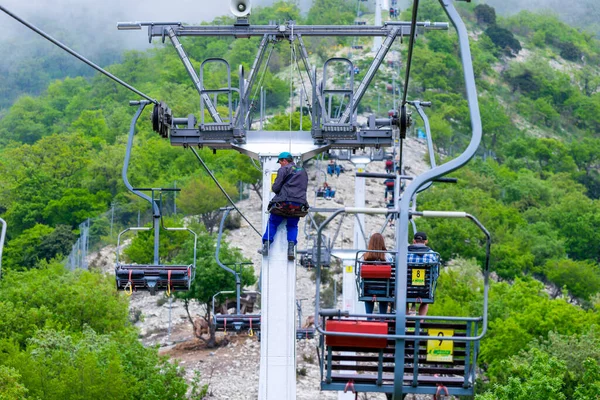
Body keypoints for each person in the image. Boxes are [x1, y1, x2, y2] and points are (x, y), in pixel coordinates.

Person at [262, 152, 309, 261]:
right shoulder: (303, 171)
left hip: (284, 203)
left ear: (284, 160)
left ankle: (266, 246)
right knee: (292, 226)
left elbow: (276, 188)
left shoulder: (284, 169)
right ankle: (291, 249)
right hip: (298, 205)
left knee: (273, 222)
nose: (280, 165)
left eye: (280, 162)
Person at [361, 233, 394, 315]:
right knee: (383, 313)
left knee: (365, 287)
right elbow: (392, 273)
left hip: (368, 290)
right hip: (384, 290)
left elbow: (360, 274)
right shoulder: (388, 257)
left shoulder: (364, 257)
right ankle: (382, 320)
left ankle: (369, 320)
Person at [407, 232, 439, 317]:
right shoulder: (432, 255)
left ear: (414, 241)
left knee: (403, 300)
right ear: (426, 241)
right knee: (425, 303)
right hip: (424, 291)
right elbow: (435, 275)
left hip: (407, 290)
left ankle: (404, 322)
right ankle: (420, 323)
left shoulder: (404, 253)